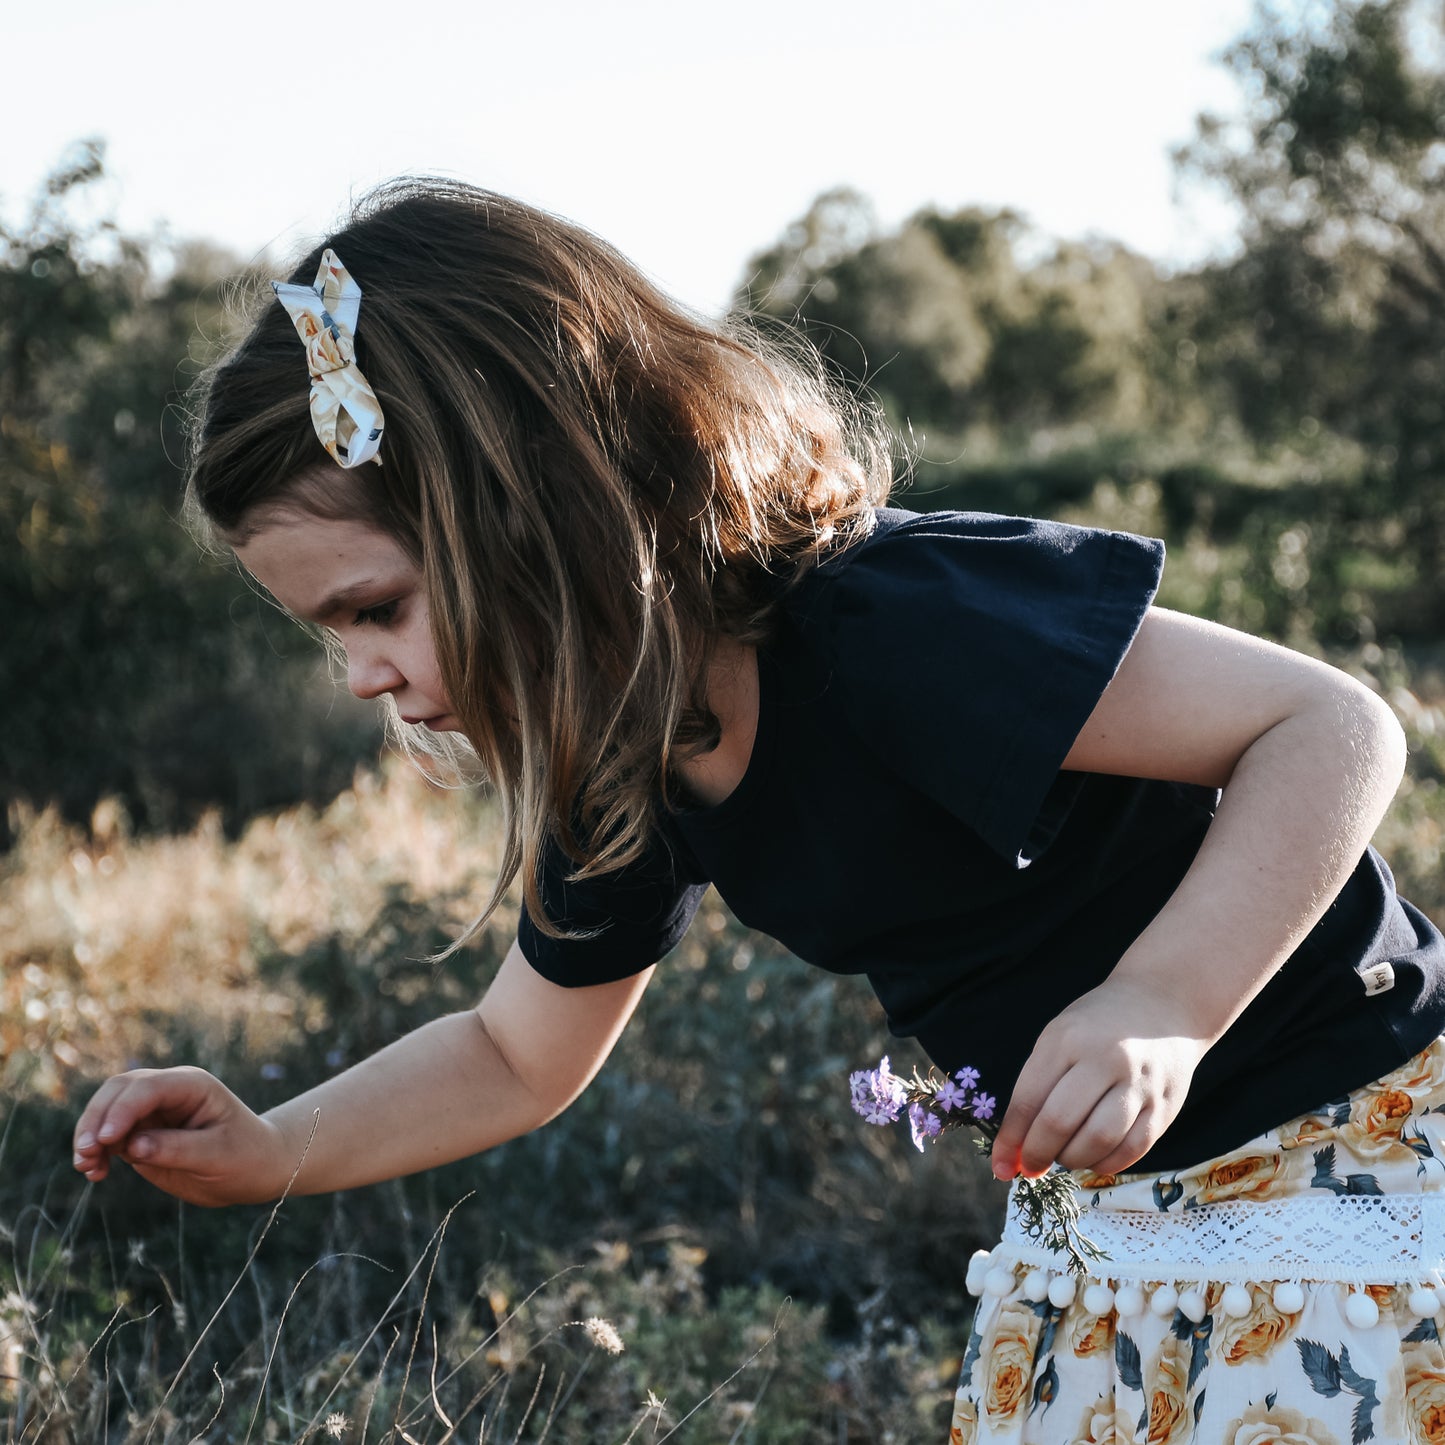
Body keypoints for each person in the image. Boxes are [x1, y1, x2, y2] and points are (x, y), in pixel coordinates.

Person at [70, 179, 1445, 1445]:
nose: (362, 671)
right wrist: (275, 1145)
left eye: (374, 608)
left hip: (1350, 1157)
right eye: (333, 633)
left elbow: (1326, 724)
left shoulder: (885, 620)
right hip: (1122, 1217)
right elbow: (511, 1052)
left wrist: (1161, 1000)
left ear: (533, 513)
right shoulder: (626, 760)